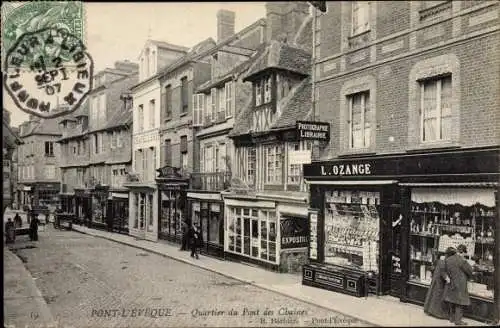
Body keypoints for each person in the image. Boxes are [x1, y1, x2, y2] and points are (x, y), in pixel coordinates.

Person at [444, 244, 474, 326]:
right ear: (463, 252)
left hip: (451, 282)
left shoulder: (448, 259)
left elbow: (445, 270)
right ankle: (458, 321)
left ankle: (451, 318)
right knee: (459, 302)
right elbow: (470, 271)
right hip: (460, 284)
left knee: (452, 300)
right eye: (465, 253)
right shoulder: (462, 260)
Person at [424, 249, 454, 319]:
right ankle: (437, 313)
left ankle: (429, 310)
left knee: (433, 295)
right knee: (437, 296)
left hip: (436, 280)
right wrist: (448, 279)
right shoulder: (444, 262)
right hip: (439, 281)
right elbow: (443, 272)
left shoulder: (441, 260)